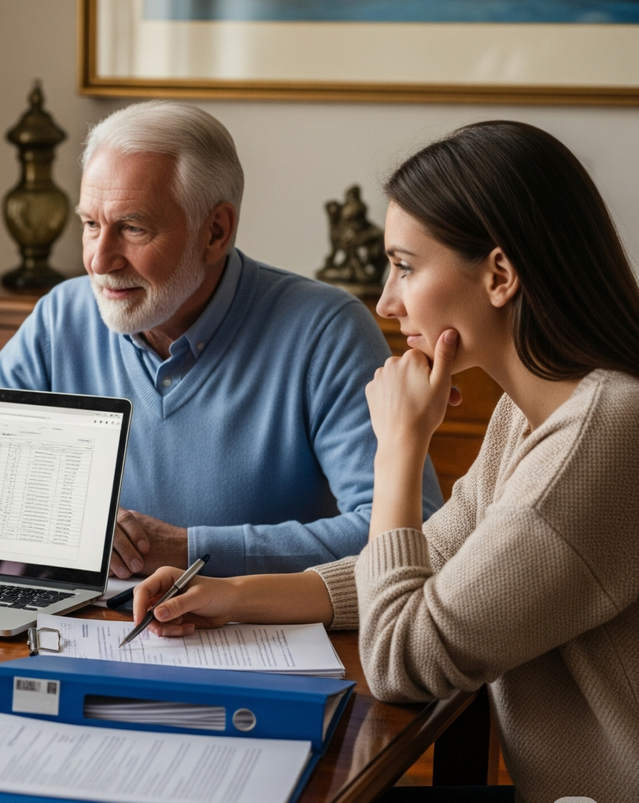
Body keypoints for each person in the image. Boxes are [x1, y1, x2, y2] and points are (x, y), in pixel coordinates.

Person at [130, 121, 639, 802]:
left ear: (499, 274)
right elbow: (431, 557)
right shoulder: (533, 414)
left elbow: (404, 658)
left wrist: (401, 447)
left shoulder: (604, 432)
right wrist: (237, 596)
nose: (386, 302)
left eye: (404, 265)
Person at [0, 101, 441, 579]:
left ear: (215, 232)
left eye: (133, 228)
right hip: (83, 624)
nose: (99, 260)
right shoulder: (61, 316)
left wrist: (188, 550)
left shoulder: (325, 329)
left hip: (257, 638)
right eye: (91, 224)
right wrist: (70, 520)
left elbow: (408, 534)